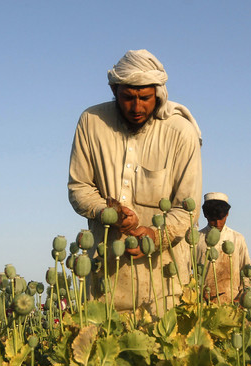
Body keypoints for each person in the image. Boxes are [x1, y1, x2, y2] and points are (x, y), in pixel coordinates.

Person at [67, 49, 202, 314]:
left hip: (163, 281)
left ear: (159, 94)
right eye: (128, 97)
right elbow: (79, 187)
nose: (137, 107)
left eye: (145, 98)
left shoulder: (180, 133)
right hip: (105, 277)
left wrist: (156, 235)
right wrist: (108, 213)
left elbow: (188, 208)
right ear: (114, 90)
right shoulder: (91, 122)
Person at [196, 192, 251, 304]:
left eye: (221, 218)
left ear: (227, 214)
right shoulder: (196, 239)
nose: (217, 223)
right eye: (213, 219)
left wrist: (243, 296)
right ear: (205, 215)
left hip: (232, 301)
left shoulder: (237, 239)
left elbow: (247, 272)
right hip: (203, 303)